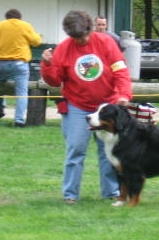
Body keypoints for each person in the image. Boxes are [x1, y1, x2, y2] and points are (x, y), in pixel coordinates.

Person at [40, 10, 132, 204]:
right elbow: (55, 81)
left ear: (90, 29)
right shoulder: (64, 48)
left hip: (107, 105)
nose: (81, 41)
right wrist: (47, 65)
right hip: (77, 106)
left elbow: (120, 71)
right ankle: (70, 195)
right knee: (75, 150)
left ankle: (111, 192)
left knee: (107, 151)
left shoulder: (106, 43)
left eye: (83, 37)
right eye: (76, 38)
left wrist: (124, 94)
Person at [0, 9, 41, 126]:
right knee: (22, 93)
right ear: (19, 18)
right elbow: (36, 42)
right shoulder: (25, 25)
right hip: (19, 64)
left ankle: (1, 107)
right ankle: (19, 120)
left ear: (7, 17)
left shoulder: (1, 25)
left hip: (1, 63)